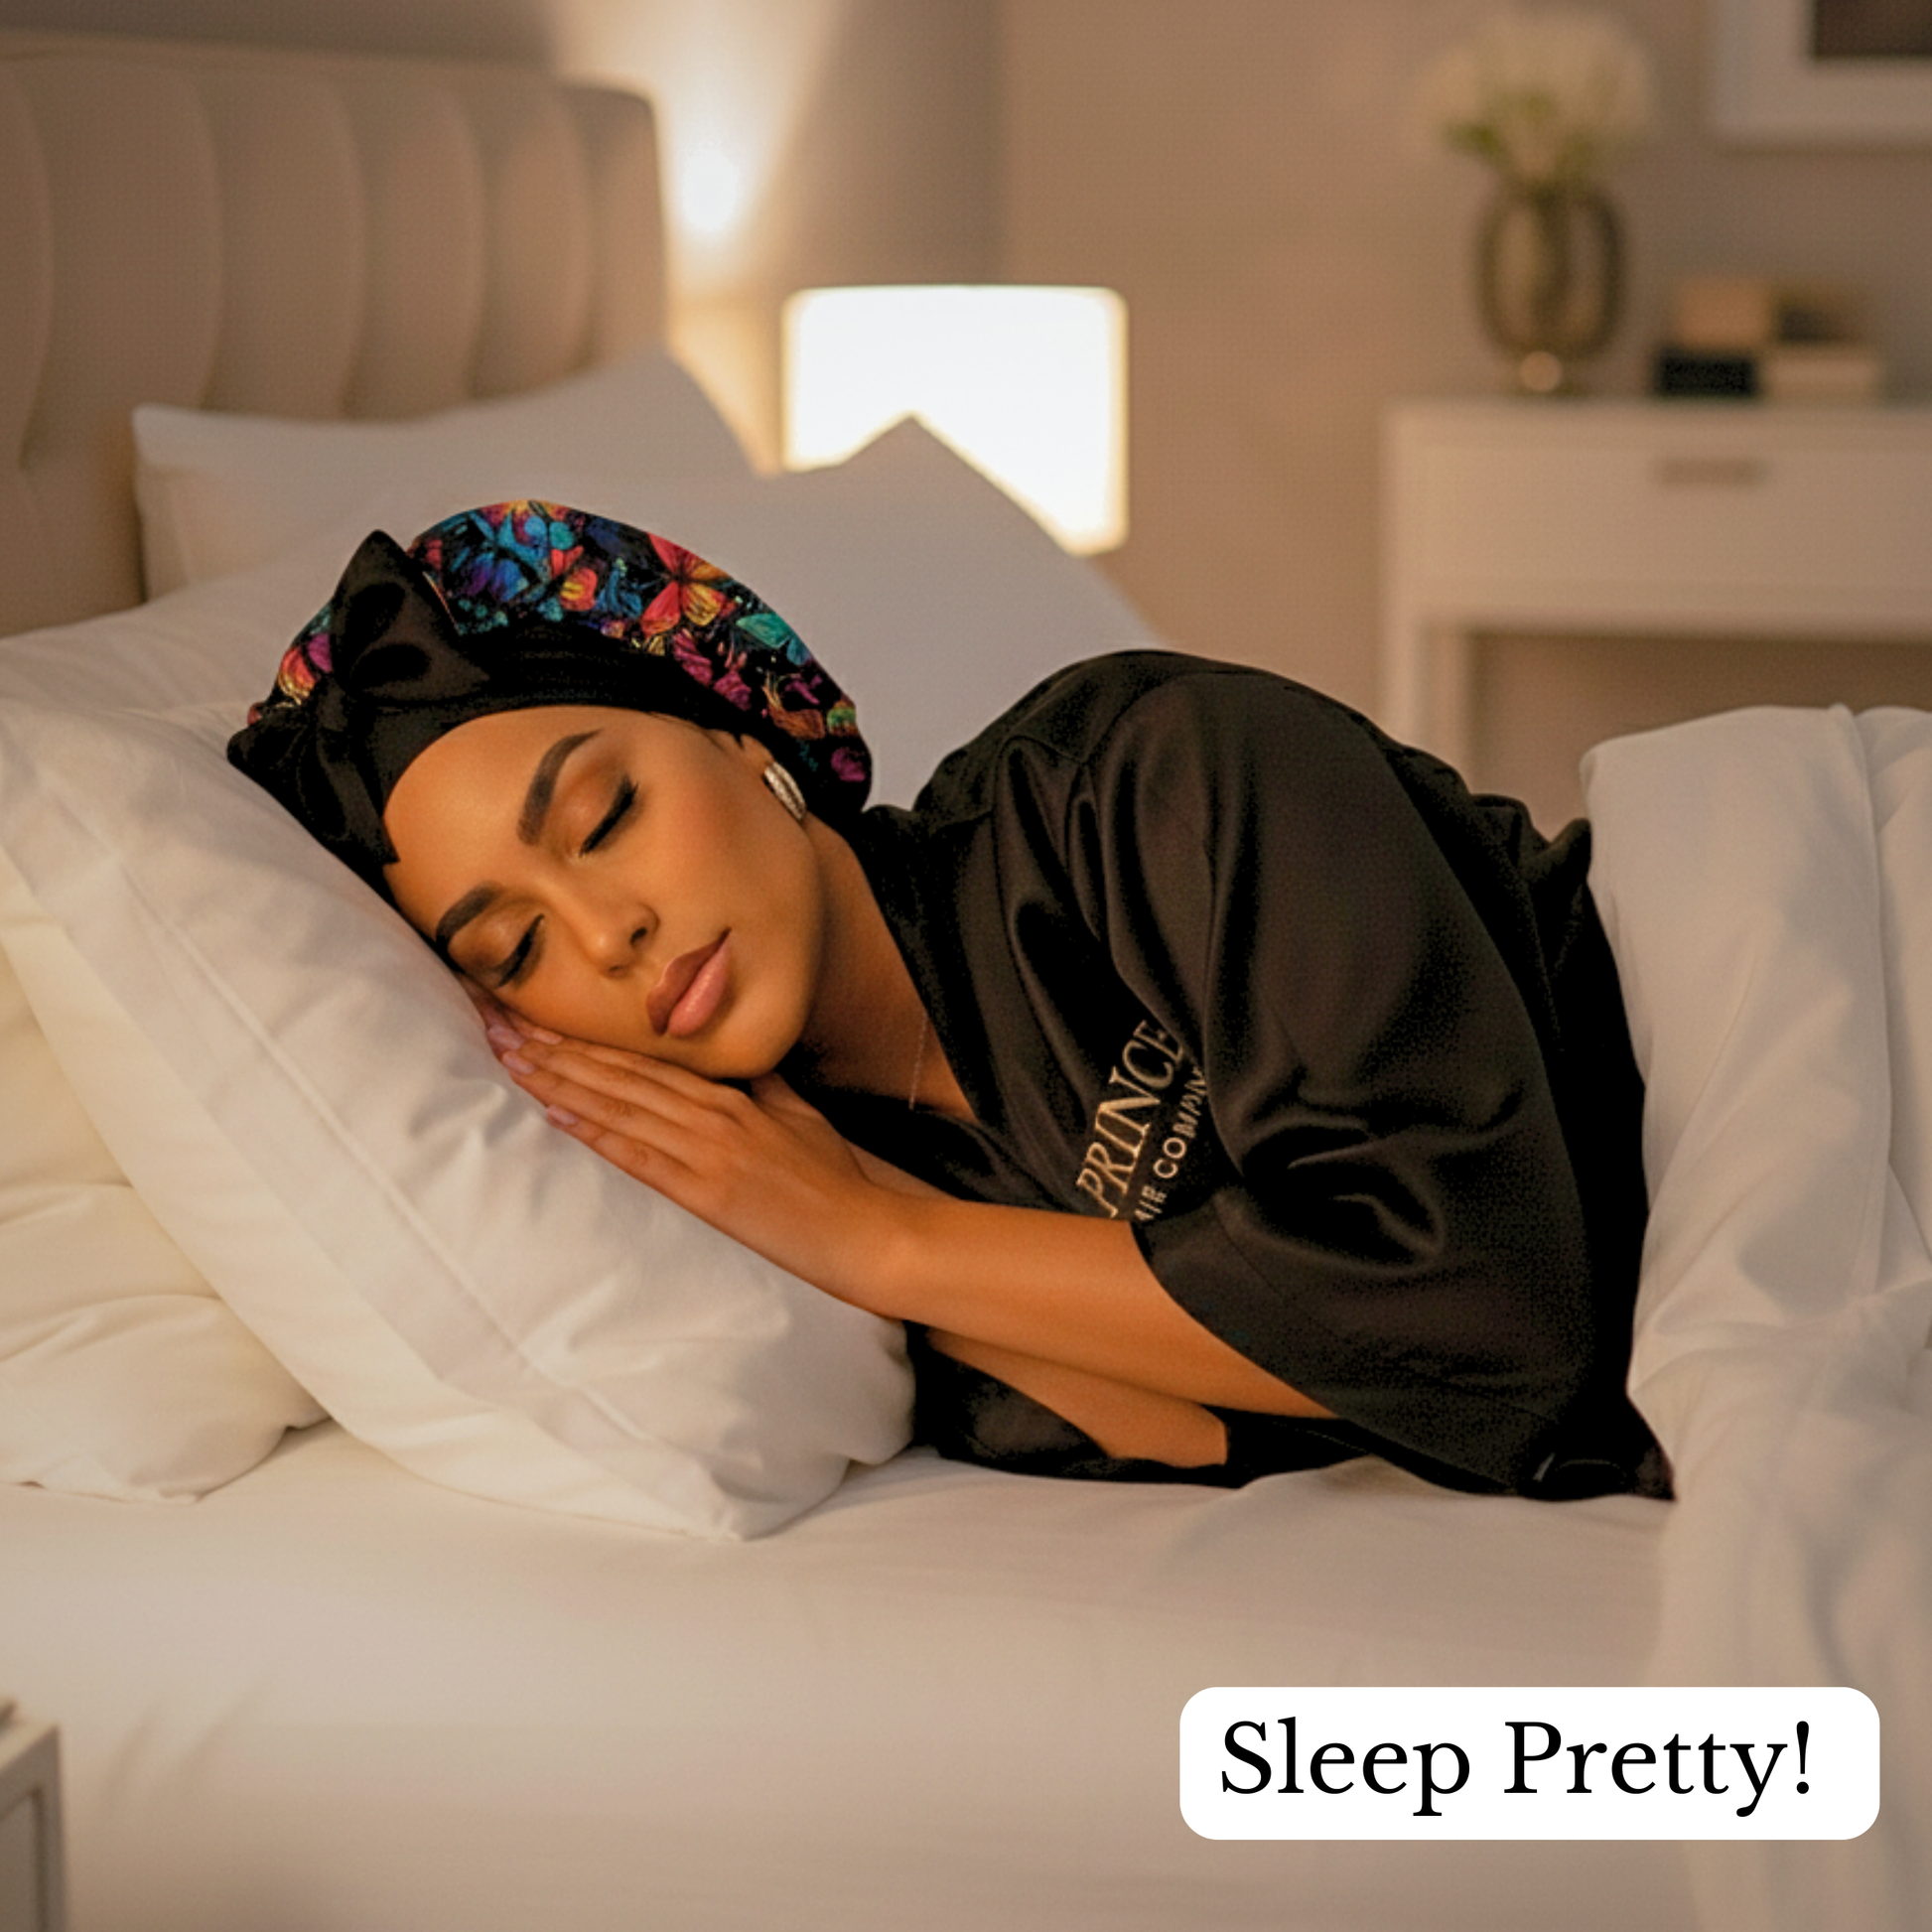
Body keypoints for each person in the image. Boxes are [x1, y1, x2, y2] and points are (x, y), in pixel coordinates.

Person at [230, 500, 1668, 1500]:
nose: (610, 935)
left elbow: (1487, 1313)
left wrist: (888, 1243)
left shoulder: (1143, 782)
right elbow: (1216, 1426)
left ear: (739, 737)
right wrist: (852, 1232)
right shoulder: (789, 1198)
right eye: (513, 951)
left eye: (603, 815)